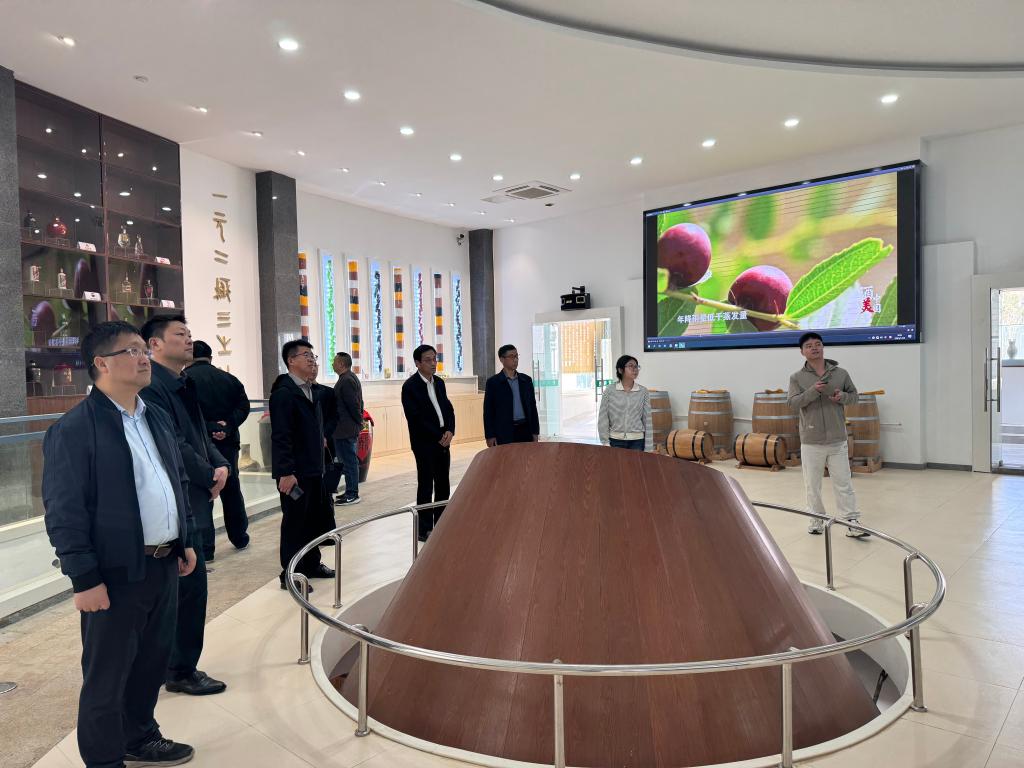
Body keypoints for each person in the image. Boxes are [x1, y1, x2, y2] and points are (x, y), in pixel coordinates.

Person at [42, 321, 197, 768]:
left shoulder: (154, 416)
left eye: (143, 348)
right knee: (107, 675)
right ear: (101, 364)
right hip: (113, 573)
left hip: (163, 563)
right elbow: (64, 511)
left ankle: (139, 736)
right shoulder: (75, 428)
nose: (143, 357)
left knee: (151, 662)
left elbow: (175, 480)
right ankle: (104, 759)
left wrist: (184, 538)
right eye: (131, 351)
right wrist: (84, 578)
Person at [139, 314, 229, 697]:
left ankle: (176, 664)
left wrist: (220, 464)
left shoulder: (183, 381)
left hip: (195, 491)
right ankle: (179, 669)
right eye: (180, 334)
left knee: (190, 584)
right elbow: (172, 443)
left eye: (190, 333)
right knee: (188, 586)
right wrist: (208, 474)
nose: (189, 339)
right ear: (155, 344)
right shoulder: (152, 387)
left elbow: (199, 433)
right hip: (179, 495)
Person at [787, 332, 869, 538]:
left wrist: (843, 396)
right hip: (811, 439)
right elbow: (793, 403)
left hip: (837, 438)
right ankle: (816, 519)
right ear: (802, 352)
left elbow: (854, 397)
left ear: (823, 347)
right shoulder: (797, 377)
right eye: (809, 346)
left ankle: (851, 521)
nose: (814, 348)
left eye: (818, 344)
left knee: (844, 483)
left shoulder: (840, 373)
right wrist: (813, 391)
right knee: (812, 485)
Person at [270, 339, 336, 589]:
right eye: (306, 355)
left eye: (313, 356)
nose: (312, 360)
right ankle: (290, 574)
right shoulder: (284, 393)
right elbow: (281, 436)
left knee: (313, 520)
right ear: (291, 360)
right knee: (295, 524)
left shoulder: (311, 391)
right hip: (295, 473)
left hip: (314, 469)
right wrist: (286, 472)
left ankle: (311, 563)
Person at [186, 340, 251, 551]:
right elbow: (244, 406)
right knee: (232, 489)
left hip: (200, 445)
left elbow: (187, 415)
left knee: (204, 492)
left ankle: (206, 547)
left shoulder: (185, 381)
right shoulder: (229, 379)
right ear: (211, 357)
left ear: (189, 357)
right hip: (229, 443)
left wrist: (210, 428)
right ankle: (239, 537)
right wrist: (228, 426)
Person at [401, 344, 455, 541]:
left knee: (443, 484)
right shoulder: (410, 387)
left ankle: (441, 524)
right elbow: (415, 418)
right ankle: (424, 529)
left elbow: (448, 409)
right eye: (428, 360)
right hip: (425, 443)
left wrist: (450, 430)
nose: (433, 363)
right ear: (418, 363)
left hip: (443, 441)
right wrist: (438, 435)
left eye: (435, 359)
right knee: (426, 485)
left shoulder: (439, 383)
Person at [483, 344, 540, 446]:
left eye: (516, 356)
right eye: (511, 356)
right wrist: (490, 436)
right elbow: (488, 412)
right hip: (504, 432)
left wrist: (535, 432)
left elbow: (532, 407)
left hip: (525, 430)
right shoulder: (493, 383)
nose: (515, 359)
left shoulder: (526, 380)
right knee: (507, 456)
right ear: (502, 359)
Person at [598, 355, 653, 452]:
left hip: (637, 441)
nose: (635, 369)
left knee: (635, 463)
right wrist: (605, 442)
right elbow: (603, 418)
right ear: (620, 370)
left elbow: (647, 420)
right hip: (615, 440)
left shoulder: (643, 391)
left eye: (636, 366)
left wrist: (649, 448)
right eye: (630, 366)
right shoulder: (610, 391)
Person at [332, 352, 364, 505]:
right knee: (347, 462)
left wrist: (359, 422)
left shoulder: (347, 380)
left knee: (350, 462)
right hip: (345, 428)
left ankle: (352, 494)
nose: (332, 364)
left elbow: (354, 405)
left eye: (334, 361)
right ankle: (350, 490)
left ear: (341, 364)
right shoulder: (347, 378)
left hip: (346, 429)